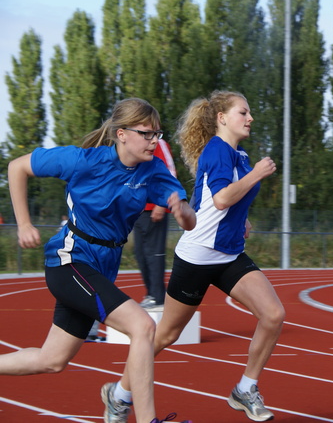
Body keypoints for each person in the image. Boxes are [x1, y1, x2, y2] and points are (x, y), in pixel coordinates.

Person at [3, 98, 196, 423]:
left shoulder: (153, 173)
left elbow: (189, 221)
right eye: (147, 134)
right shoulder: (84, 160)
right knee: (143, 326)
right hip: (70, 260)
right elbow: (17, 167)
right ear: (122, 134)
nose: (154, 141)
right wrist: (24, 223)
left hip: (101, 268)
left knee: (52, 360)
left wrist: (184, 211)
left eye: (158, 134)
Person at [112, 90, 284, 422]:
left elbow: (222, 200)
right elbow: (220, 199)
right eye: (243, 112)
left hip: (229, 254)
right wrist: (257, 175)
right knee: (166, 335)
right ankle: (119, 395)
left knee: (273, 314)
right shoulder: (218, 151)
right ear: (222, 118)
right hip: (198, 256)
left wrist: (243, 217)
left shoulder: (240, 155)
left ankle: (245, 389)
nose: (250, 119)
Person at [134, 140, 177, 309]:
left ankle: (158, 296)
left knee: (154, 254)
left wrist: (162, 203)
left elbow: (171, 172)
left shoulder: (159, 143)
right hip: (137, 209)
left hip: (155, 208)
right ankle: (151, 293)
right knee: (140, 254)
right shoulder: (135, 143)